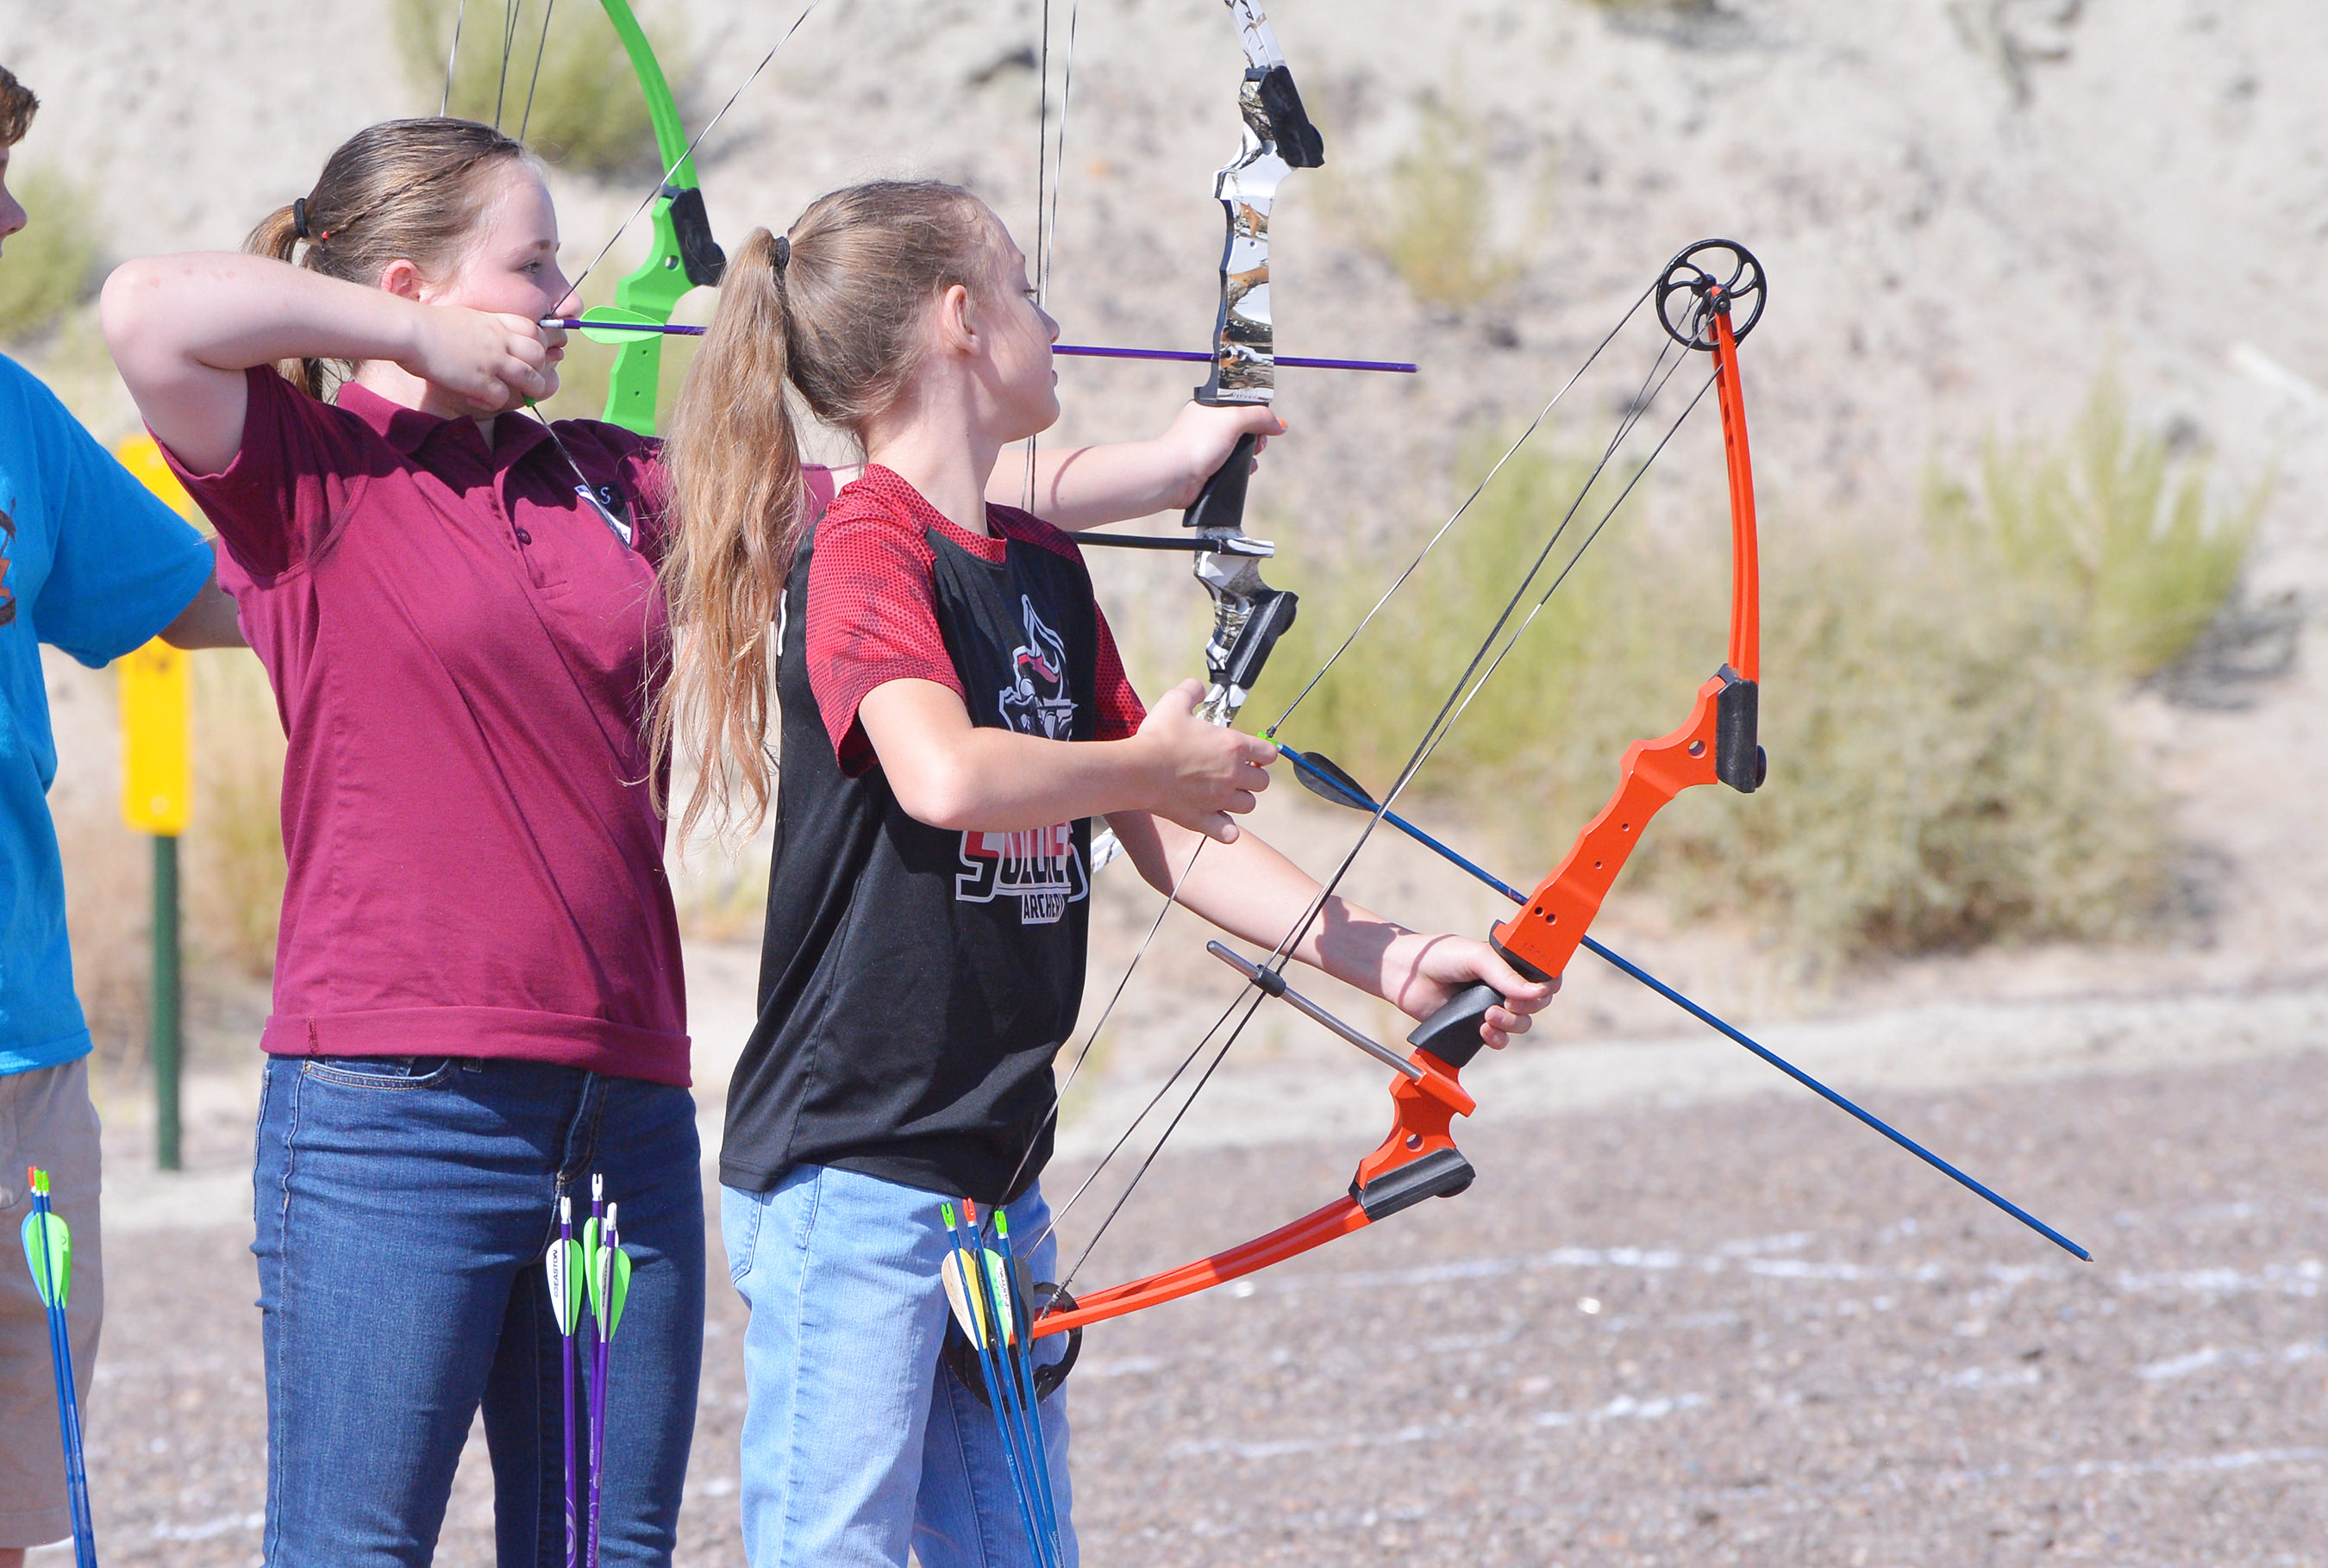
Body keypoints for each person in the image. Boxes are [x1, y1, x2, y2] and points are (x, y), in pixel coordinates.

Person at [98, 119, 1276, 1568]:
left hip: (624, 1102)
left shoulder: (602, 477)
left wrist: (1169, 467)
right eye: (530, 269)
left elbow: (912, 489)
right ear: (406, 281)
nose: (566, 301)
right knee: (354, 1547)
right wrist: (414, 336)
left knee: (603, 1548)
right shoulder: (305, 472)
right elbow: (146, 309)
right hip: (395, 1106)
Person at [656, 179, 1557, 1568]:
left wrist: (1385, 954)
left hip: (992, 1172)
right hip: (853, 1176)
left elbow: (1170, 827)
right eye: (1022, 289)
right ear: (961, 322)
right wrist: (1149, 768)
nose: (1052, 320)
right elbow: (946, 774)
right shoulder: (865, 545)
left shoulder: (1043, 571)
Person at [0, 63, 242, 1568]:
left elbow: (218, 597)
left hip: (25, 1062)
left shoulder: (13, 415)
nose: (15, 211)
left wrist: (408, 496)